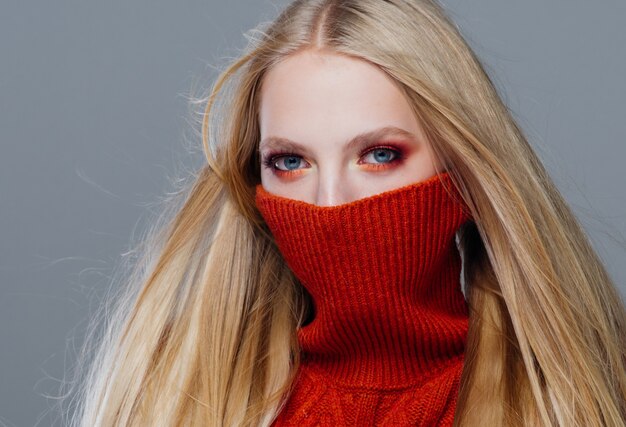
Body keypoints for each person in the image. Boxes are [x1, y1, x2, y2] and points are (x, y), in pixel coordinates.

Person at [66, 0, 626, 426]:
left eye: (380, 155)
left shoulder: (580, 398)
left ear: (462, 166)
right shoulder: (176, 399)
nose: (330, 203)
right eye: (290, 162)